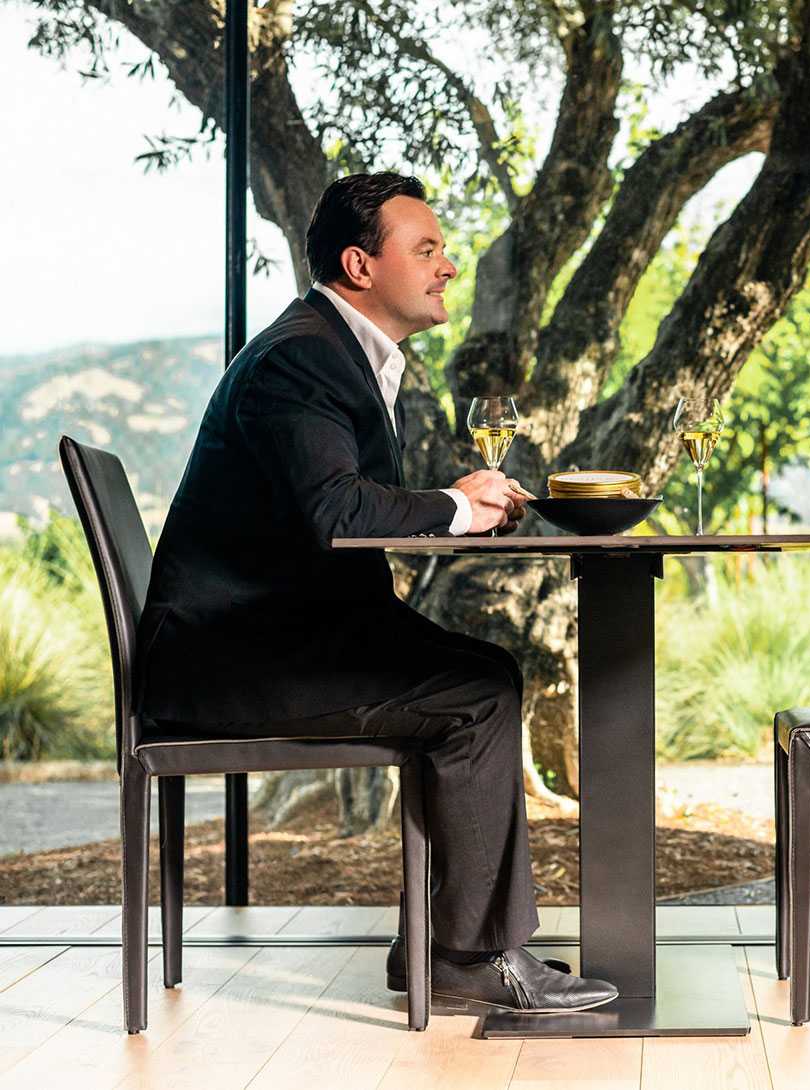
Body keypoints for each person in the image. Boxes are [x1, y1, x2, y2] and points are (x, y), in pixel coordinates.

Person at [135, 171, 617, 1015]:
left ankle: (445, 945)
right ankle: (466, 957)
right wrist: (461, 507)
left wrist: (452, 502)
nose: (448, 268)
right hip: (235, 663)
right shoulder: (303, 360)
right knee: (476, 693)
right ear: (361, 265)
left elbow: (334, 501)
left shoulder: (330, 350)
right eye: (426, 249)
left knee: (488, 676)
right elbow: (337, 512)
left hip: (273, 639)